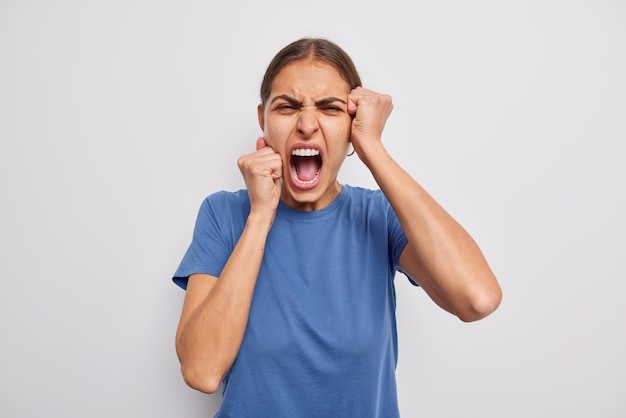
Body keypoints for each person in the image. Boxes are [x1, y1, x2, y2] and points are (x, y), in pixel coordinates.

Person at [172, 37, 502, 417]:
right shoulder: (224, 215)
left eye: (330, 108)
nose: (307, 125)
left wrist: (372, 148)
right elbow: (201, 371)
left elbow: (478, 298)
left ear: (352, 126)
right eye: (288, 107)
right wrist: (261, 215)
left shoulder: (379, 215)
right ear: (263, 119)